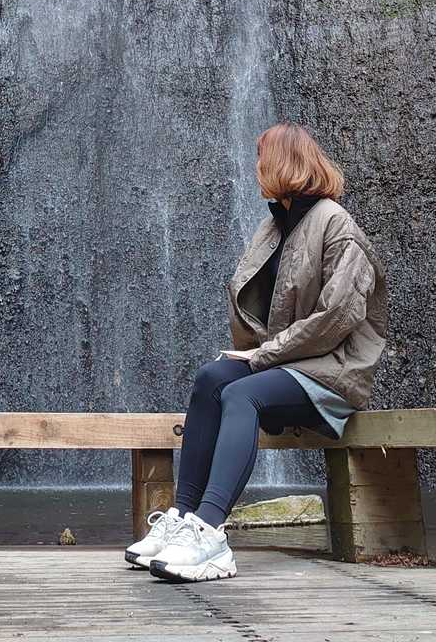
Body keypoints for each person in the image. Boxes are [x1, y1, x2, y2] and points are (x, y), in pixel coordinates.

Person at [125, 121, 387, 583]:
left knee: (240, 393)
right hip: (289, 363)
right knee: (211, 379)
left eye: (261, 156)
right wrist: (255, 354)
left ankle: (210, 532)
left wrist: (263, 355)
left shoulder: (335, 223)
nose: (256, 166)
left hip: (332, 372)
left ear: (284, 161)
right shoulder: (274, 226)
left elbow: (337, 317)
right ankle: (183, 517)